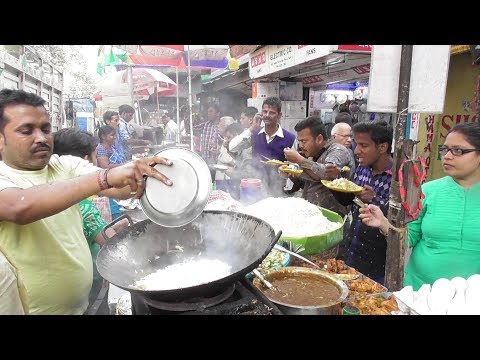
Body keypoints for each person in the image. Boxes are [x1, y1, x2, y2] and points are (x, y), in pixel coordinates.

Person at [0, 89, 173, 315]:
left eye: (45, 129)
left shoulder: (64, 165)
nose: (41, 138)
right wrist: (106, 177)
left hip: (81, 307)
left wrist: (143, 174)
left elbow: (119, 189)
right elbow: (19, 207)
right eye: (26, 130)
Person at [358, 122, 480, 290]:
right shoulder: (427, 191)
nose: (447, 156)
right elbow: (410, 237)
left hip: (470, 299)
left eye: (458, 150)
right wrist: (384, 224)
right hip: (420, 290)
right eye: (445, 150)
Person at [53, 128, 128, 305]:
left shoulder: (50, 193)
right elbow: (106, 240)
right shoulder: (82, 204)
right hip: (87, 286)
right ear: (86, 160)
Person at [281, 117, 353, 259]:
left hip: (332, 223)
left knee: (327, 263)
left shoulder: (338, 150)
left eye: (304, 141)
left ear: (319, 138)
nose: (301, 146)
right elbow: (308, 182)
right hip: (313, 219)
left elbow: (325, 173)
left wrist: (300, 160)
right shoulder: (312, 154)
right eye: (299, 141)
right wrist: (292, 175)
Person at [335, 120, 394, 285]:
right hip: (353, 250)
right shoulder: (362, 168)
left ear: (382, 147)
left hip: (379, 264)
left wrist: (375, 200)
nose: (356, 151)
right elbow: (350, 201)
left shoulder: (400, 178)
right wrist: (335, 183)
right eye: (356, 144)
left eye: (363, 145)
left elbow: (404, 224)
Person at [228, 97, 296, 197]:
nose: (267, 115)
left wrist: (288, 170)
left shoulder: (289, 138)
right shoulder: (254, 133)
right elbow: (232, 147)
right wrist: (252, 128)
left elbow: (295, 166)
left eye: (272, 113)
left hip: (278, 191)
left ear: (280, 115)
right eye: (265, 111)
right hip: (255, 189)